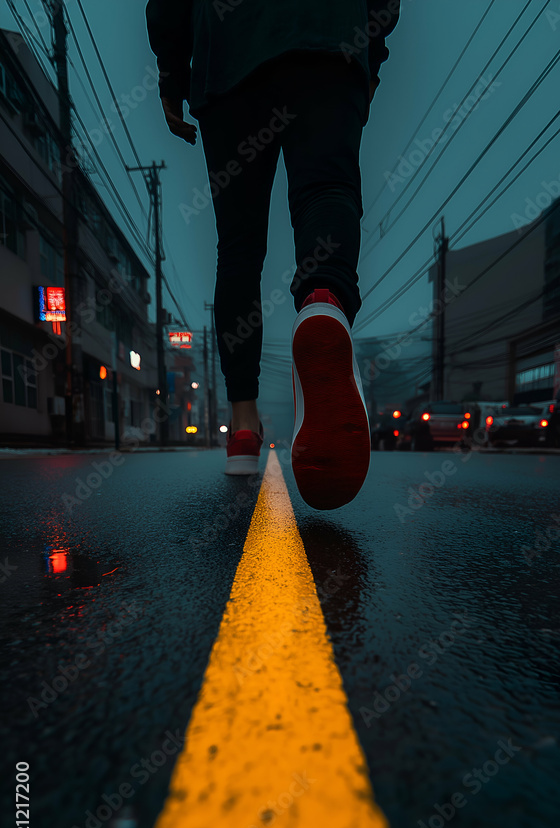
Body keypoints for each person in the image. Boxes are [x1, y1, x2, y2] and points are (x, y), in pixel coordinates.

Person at [145, 0, 401, 509]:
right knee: (327, 190)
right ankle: (322, 303)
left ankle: (243, 427)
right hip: (328, 35)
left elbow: (167, 6)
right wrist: (371, 51)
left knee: (239, 246)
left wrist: (172, 77)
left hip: (228, 56)